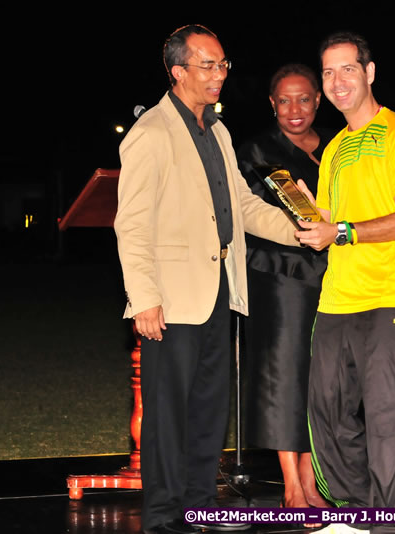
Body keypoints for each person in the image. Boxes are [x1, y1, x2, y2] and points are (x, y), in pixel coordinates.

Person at [114, 25, 297, 534]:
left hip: (218, 290)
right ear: (178, 72)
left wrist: (299, 229)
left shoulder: (216, 130)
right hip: (171, 300)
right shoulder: (151, 133)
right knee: (169, 414)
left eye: (223, 65)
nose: (219, 75)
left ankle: (198, 505)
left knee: (209, 408)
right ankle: (163, 516)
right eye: (208, 66)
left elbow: (240, 205)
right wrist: (144, 298)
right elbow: (130, 223)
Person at [295, 32, 395, 533]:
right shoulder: (332, 149)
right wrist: (308, 215)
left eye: (347, 69)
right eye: (328, 73)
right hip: (337, 298)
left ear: (370, 73)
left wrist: (343, 231)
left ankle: (392, 524)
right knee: (326, 412)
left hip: (390, 297)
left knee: (383, 416)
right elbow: (328, 222)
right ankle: (355, 515)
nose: (337, 81)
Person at [237, 63, 333, 511]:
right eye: (284, 100)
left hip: (334, 276)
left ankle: (314, 480)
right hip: (281, 277)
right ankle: (292, 487)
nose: (294, 109)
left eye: (304, 99)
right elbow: (269, 215)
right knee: (285, 377)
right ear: (271, 103)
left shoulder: (337, 145)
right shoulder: (257, 150)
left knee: (321, 380)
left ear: (318, 100)